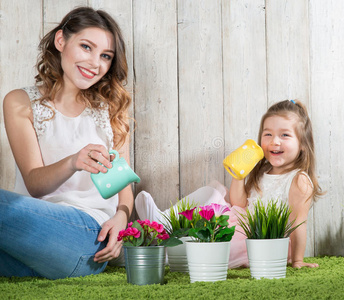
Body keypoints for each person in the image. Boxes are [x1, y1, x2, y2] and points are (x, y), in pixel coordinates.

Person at [0, 7, 133, 279]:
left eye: (105, 56)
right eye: (86, 47)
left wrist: (121, 219)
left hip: (89, 238)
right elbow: (35, 184)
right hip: (31, 239)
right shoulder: (20, 102)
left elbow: (124, 185)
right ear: (61, 41)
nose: (95, 63)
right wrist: (73, 161)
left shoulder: (110, 108)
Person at [136, 99, 323, 269]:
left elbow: (298, 223)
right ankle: (163, 222)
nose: (274, 141)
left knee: (212, 248)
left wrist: (297, 260)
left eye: (285, 135)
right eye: (268, 134)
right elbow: (239, 204)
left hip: (261, 239)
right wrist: (238, 175)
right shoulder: (262, 172)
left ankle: (160, 253)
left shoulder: (298, 180)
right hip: (240, 222)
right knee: (214, 191)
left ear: (303, 144)